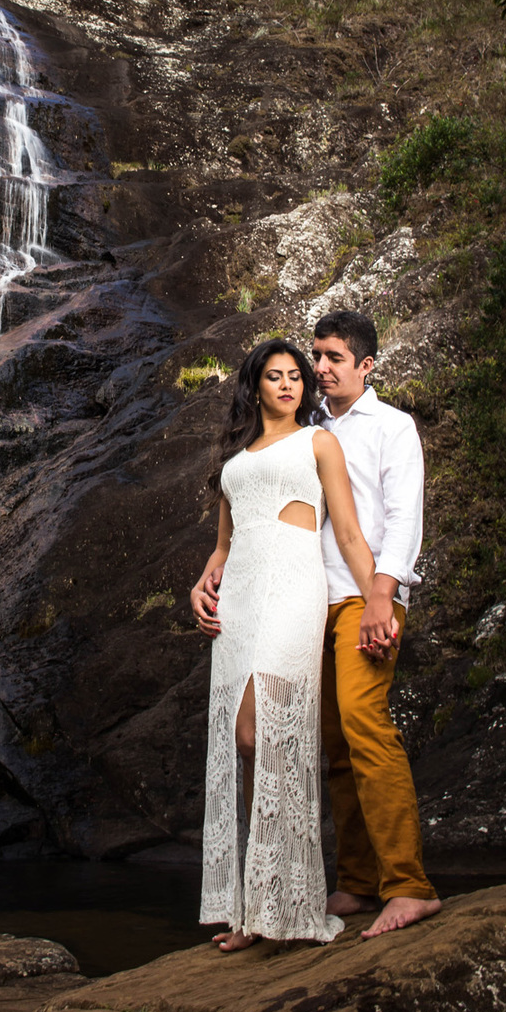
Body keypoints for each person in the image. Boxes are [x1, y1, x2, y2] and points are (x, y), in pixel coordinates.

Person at [193, 310, 441, 940]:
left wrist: (383, 594)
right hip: (304, 602)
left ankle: (408, 885)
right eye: (315, 358)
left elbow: (395, 523)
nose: (317, 370)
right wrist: (210, 573)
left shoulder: (391, 427)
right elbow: (235, 530)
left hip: (361, 595)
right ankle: (355, 880)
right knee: (327, 743)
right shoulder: (308, 427)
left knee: (363, 723)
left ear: (366, 365)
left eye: (331, 359)